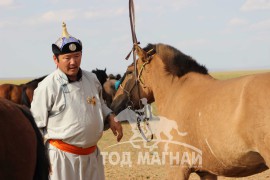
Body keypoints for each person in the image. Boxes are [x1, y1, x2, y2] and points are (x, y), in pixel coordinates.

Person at [31, 22, 123, 180]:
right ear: (55, 59)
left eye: (77, 56)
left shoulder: (92, 79)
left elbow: (99, 104)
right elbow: (36, 126)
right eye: (67, 58)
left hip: (92, 156)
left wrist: (110, 116)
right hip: (61, 160)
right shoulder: (47, 86)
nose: (73, 62)